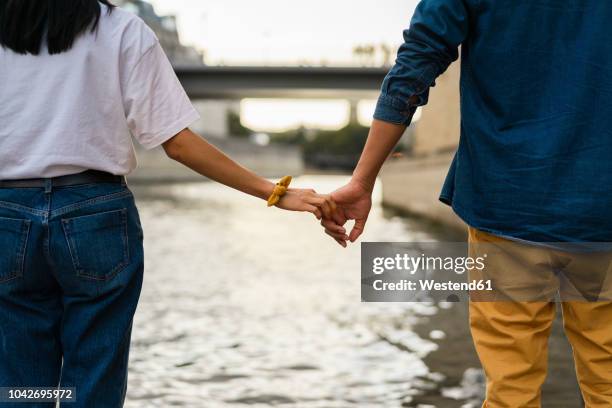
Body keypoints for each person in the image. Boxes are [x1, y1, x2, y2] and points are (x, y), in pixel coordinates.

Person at [0, 1, 334, 407]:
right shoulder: (121, 29)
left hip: (7, 213)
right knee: (94, 377)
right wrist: (273, 192)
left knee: (19, 379)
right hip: (96, 213)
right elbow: (176, 143)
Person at [321, 0, 612, 406]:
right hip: (601, 205)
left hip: (506, 201)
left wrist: (363, 179)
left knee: (511, 388)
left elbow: (416, 63)